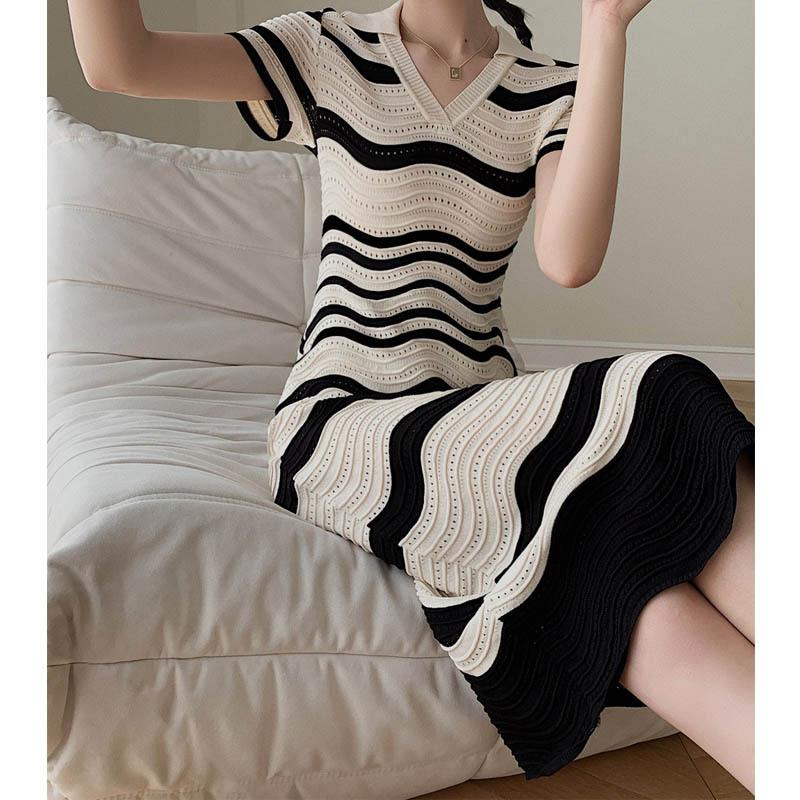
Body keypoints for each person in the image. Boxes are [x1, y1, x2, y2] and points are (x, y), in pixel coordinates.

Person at [66, 0, 756, 790]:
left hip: (482, 421)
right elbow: (120, 62)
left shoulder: (548, 89)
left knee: (634, 595)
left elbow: (569, 257)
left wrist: (606, 28)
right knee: (666, 395)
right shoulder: (327, 47)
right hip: (345, 422)